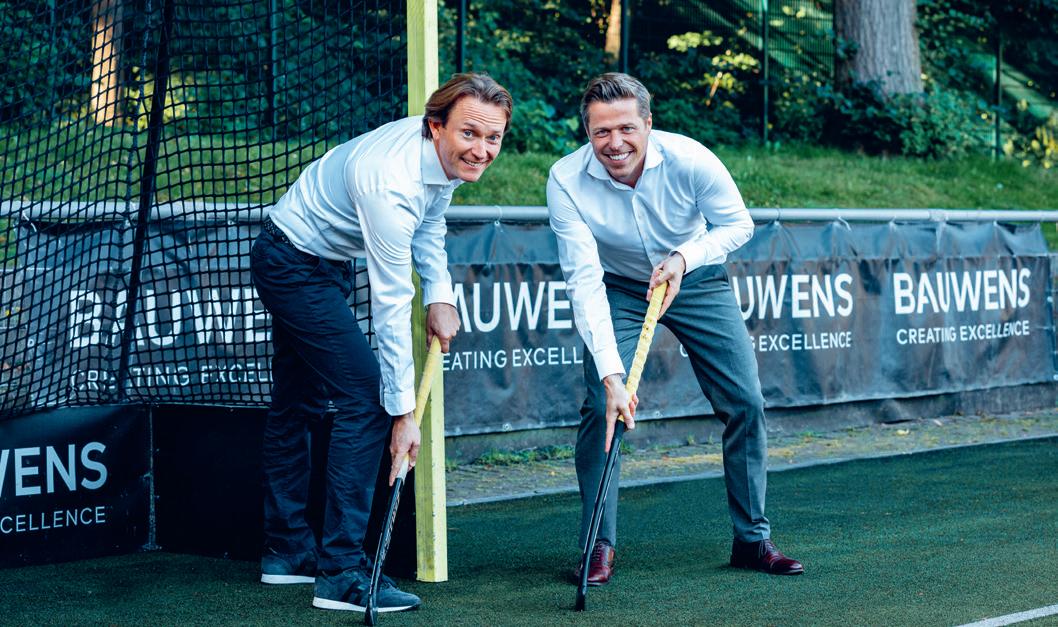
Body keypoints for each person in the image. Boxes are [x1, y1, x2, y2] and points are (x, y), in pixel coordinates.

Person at [250, 73, 513, 613]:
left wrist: (440, 295)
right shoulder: (390, 183)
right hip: (292, 264)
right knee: (366, 400)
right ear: (436, 126)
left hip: (320, 261)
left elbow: (430, 220)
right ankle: (341, 574)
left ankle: (287, 553)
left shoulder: (444, 158)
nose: (482, 150)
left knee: (297, 401)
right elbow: (391, 307)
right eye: (470, 134)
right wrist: (403, 413)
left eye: (493, 138)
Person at [546, 73, 803, 586]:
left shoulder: (691, 159)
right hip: (618, 287)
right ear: (587, 132)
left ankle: (752, 540)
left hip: (697, 278)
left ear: (648, 123)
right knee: (602, 406)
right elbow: (583, 280)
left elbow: (738, 225)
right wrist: (613, 378)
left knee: (745, 401)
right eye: (601, 132)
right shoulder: (566, 179)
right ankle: (597, 546)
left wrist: (685, 257)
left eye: (626, 128)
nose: (614, 143)